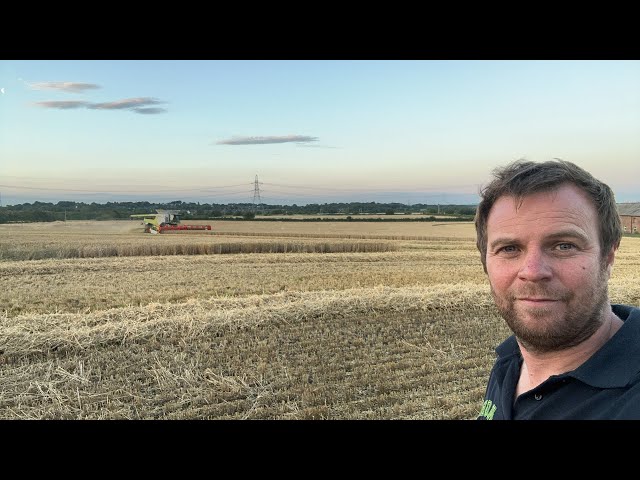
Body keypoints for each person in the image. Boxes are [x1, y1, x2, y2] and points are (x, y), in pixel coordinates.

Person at [474, 159, 640, 419]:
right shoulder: (508, 363)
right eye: (509, 249)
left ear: (608, 256)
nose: (533, 272)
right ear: (485, 261)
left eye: (564, 246)